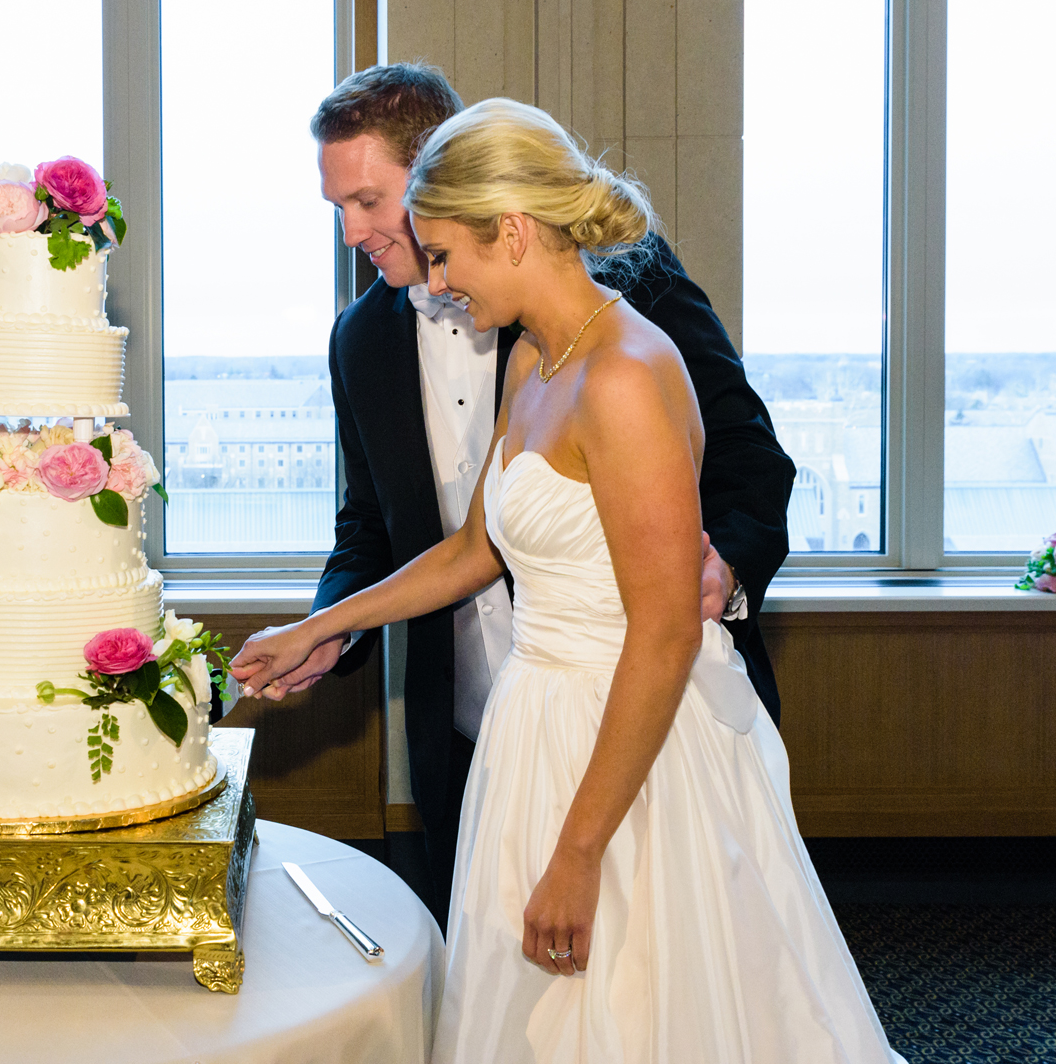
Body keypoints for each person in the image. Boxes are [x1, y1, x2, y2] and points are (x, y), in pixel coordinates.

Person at [231, 99, 902, 1063]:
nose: (441, 281)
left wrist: (581, 852)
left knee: (641, 1008)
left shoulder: (626, 373)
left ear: (509, 231)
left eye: (449, 255)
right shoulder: (539, 363)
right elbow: (473, 551)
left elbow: (666, 632)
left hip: (630, 743)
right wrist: (322, 625)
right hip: (532, 727)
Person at [257, 63, 794, 925]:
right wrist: (325, 626)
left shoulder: (626, 311)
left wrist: (720, 571)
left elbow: (746, 455)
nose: (355, 232)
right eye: (339, 211)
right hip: (495, 726)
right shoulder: (406, 346)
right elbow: (424, 537)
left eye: (370, 201)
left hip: (636, 711)